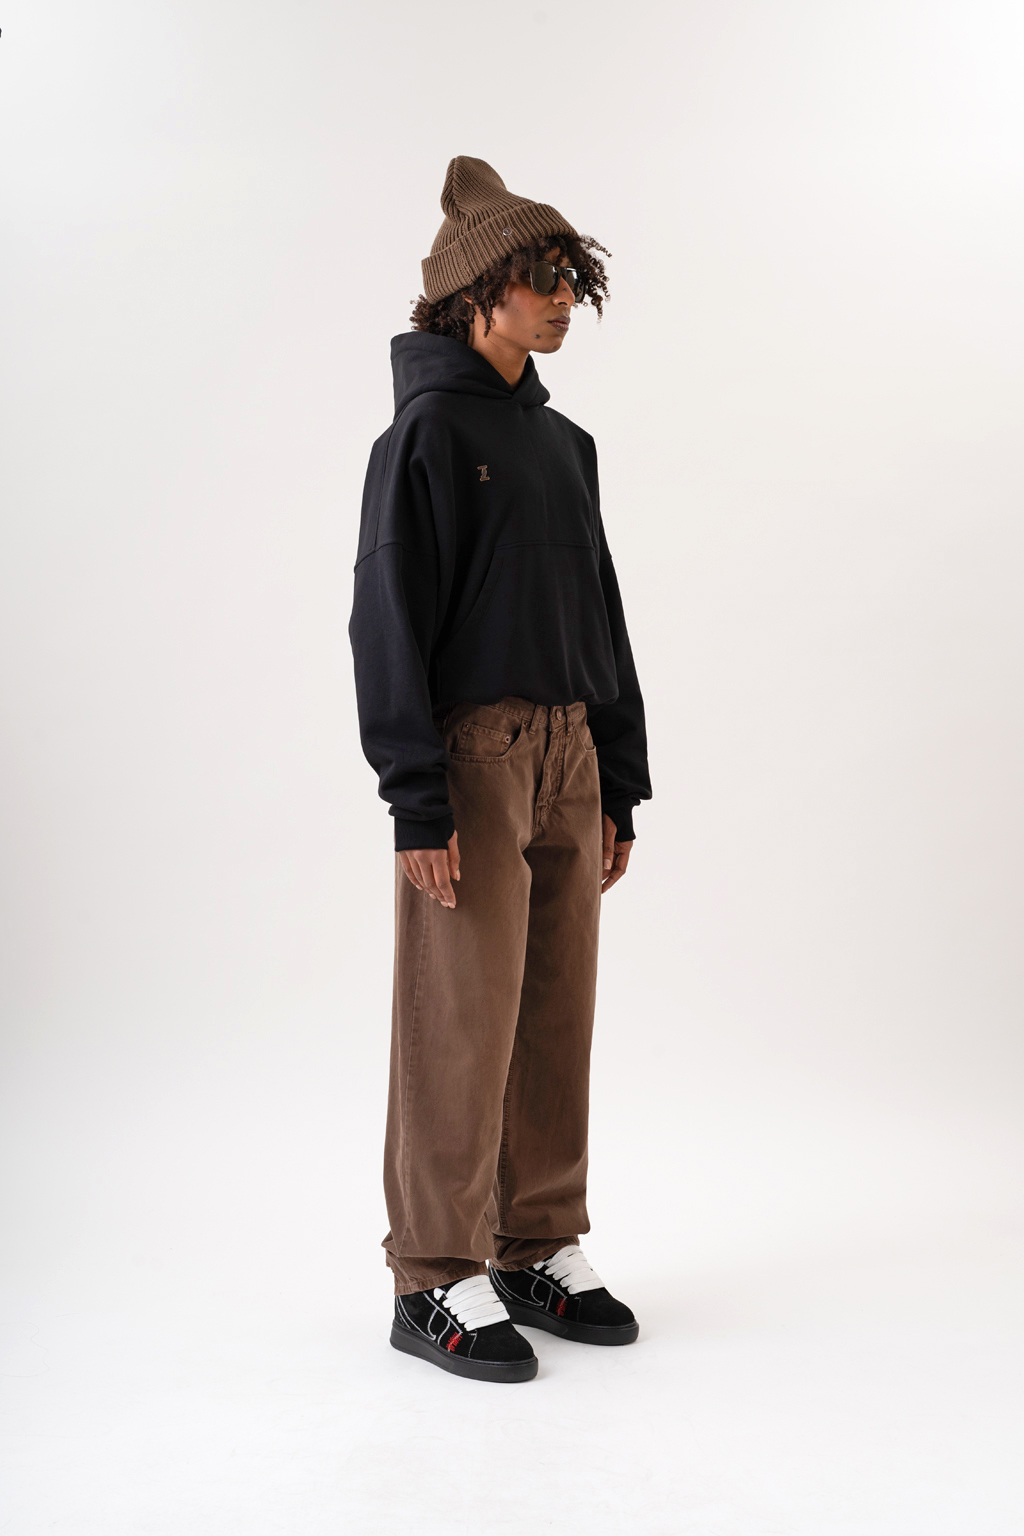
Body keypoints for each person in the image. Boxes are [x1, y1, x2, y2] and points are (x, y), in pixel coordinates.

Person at [348, 156, 653, 1382]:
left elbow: (601, 610)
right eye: (540, 276)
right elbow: (387, 617)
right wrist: (415, 796)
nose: (562, 297)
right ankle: (433, 1269)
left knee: (556, 1008)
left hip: (570, 750)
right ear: (474, 291)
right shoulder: (423, 435)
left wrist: (619, 772)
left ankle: (534, 1241)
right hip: (473, 756)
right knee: (460, 1017)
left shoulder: (566, 444)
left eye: (572, 276)